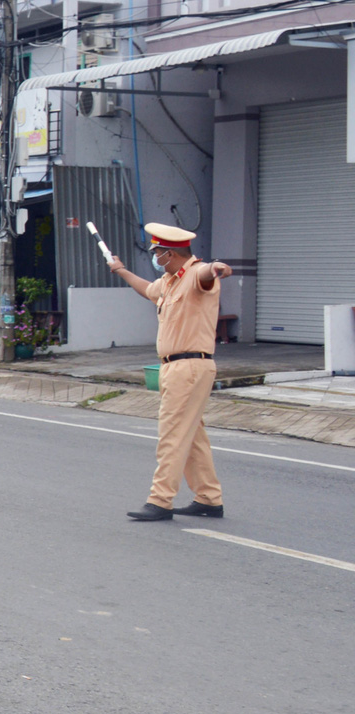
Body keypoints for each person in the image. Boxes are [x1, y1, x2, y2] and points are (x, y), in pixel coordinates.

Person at [106, 223, 233, 522]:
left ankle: (160, 500)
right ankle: (209, 498)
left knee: (172, 435)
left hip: (189, 366)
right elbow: (147, 290)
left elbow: (209, 272)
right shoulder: (169, 281)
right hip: (173, 367)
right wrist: (121, 270)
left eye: (157, 252)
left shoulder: (196, 275)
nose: (154, 257)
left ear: (169, 253)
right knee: (192, 436)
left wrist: (218, 267)